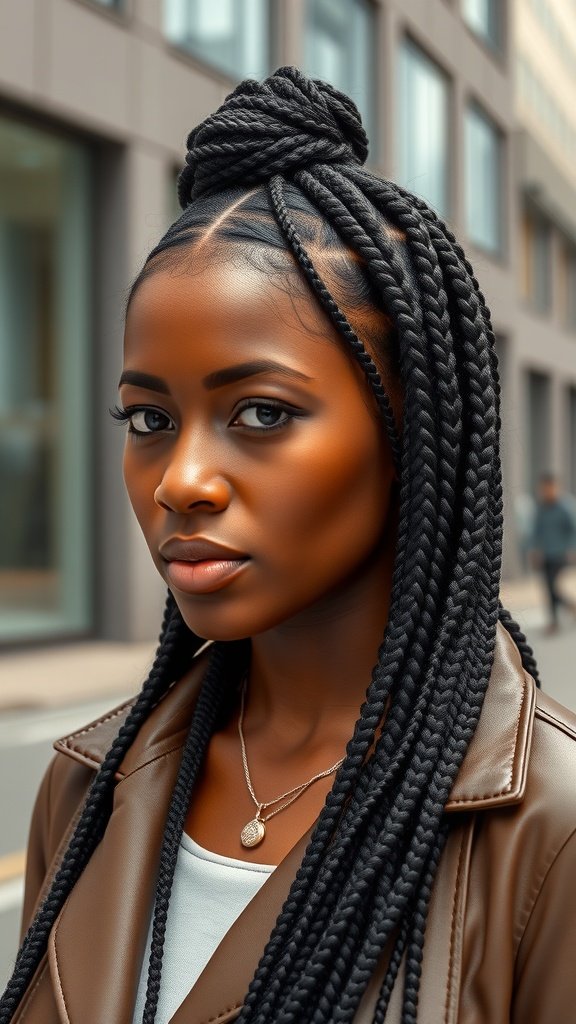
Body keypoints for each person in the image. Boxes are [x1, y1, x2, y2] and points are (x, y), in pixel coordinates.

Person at [2, 67, 576, 1024]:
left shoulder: (548, 830)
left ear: (410, 437)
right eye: (147, 419)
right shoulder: (87, 784)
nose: (181, 479)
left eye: (260, 412)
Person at [528, 472, 576, 634]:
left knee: (553, 587)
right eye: (544, 488)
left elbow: (573, 530)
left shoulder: (566, 507)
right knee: (549, 588)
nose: (547, 491)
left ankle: (556, 620)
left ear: (556, 487)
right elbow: (536, 531)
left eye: (550, 487)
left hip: (561, 554)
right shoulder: (541, 508)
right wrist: (534, 550)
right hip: (546, 554)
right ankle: (563, 612)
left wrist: (572, 549)